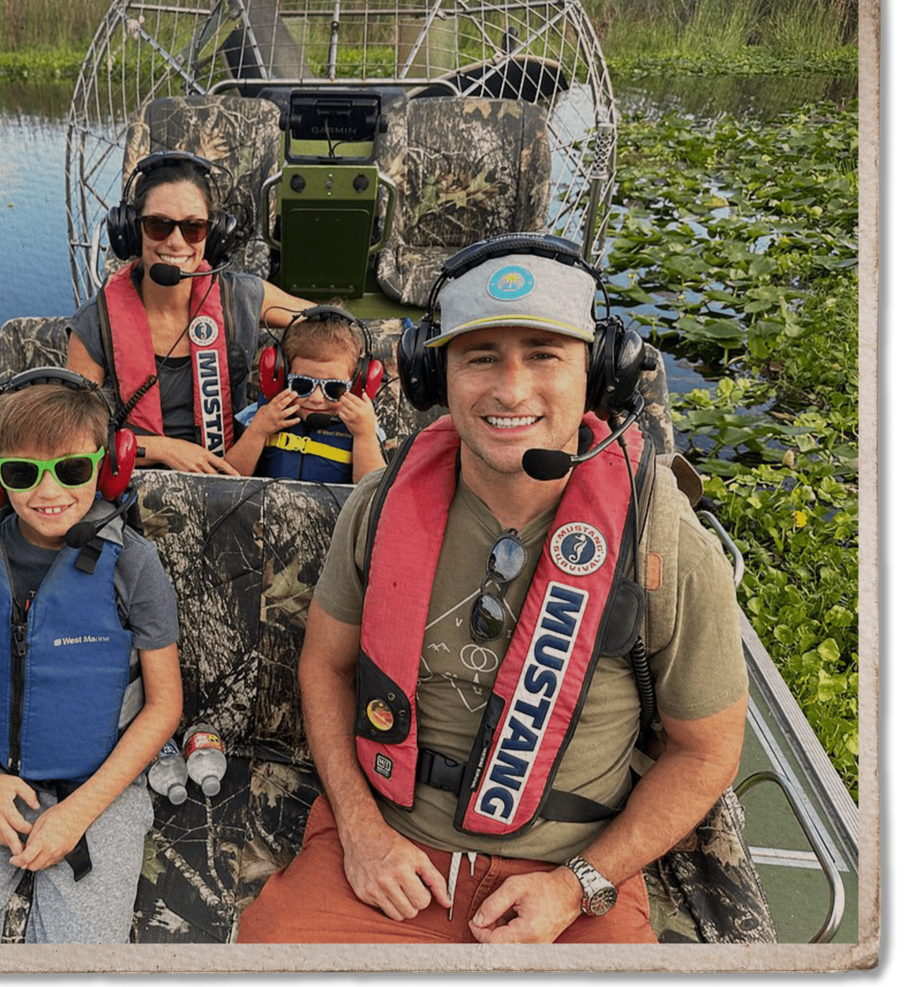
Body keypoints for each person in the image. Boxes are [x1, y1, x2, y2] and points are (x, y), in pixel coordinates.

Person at [236, 236, 748, 944]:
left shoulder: (663, 535)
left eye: (544, 353)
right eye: (480, 356)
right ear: (433, 374)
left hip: (568, 871)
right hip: (387, 848)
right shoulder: (377, 505)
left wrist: (580, 885)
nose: (511, 389)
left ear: (596, 373)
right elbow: (325, 666)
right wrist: (358, 829)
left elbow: (707, 750)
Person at [0, 371, 182, 943]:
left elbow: (165, 705)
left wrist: (78, 813)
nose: (49, 493)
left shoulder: (135, 566)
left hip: (100, 789)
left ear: (109, 465)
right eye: (22, 473)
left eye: (72, 470)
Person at [66, 150, 310, 475]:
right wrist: (165, 449)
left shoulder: (239, 296)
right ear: (131, 230)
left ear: (214, 235)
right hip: (132, 484)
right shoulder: (94, 324)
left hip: (229, 478)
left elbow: (323, 319)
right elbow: (75, 439)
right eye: (158, 225)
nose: (176, 242)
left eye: (193, 228)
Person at [226, 306, 386, 482]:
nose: (317, 399)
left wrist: (364, 435)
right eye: (302, 384)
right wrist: (258, 431)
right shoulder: (261, 417)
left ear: (356, 384)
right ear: (282, 376)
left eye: (334, 388)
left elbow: (371, 494)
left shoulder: (363, 429)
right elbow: (229, 481)